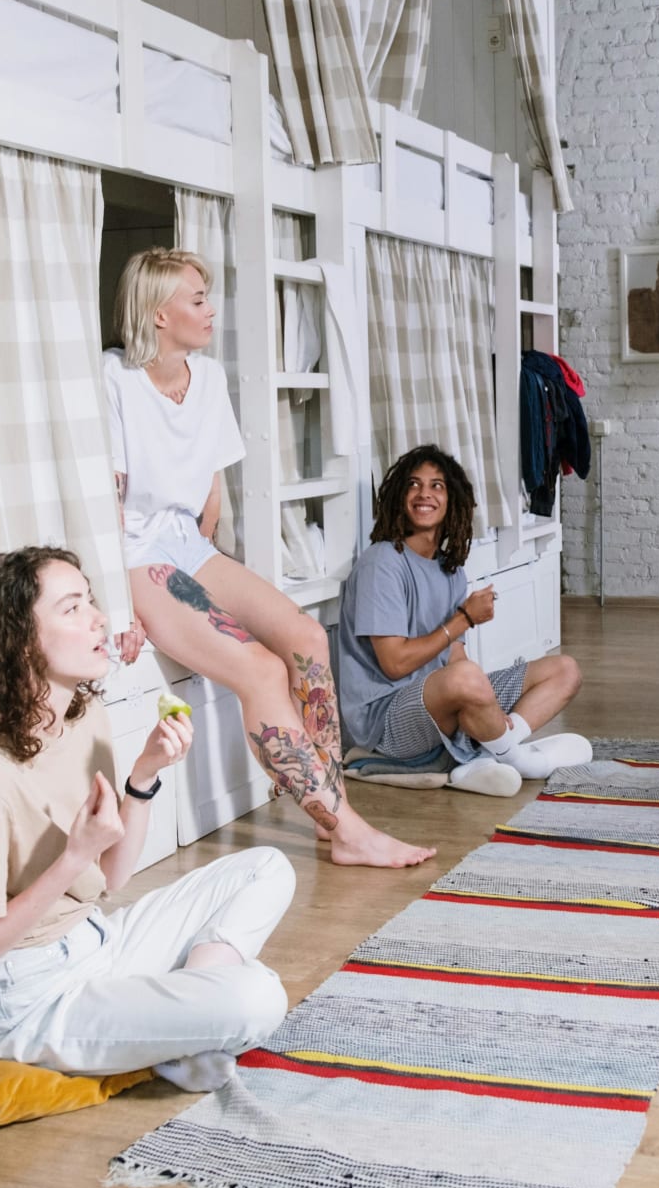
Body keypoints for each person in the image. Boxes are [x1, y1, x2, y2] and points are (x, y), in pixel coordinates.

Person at [0, 547, 296, 1093]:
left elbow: (111, 878)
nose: (99, 618)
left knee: (267, 868)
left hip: (98, 944)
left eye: (90, 601)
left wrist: (145, 775)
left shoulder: (83, 717)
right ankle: (185, 1024)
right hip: (26, 1000)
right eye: (72, 608)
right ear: (19, 640)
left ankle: (180, 1028)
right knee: (258, 996)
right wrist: (73, 856)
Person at [104, 247, 433, 868]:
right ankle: (350, 830)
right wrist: (123, 605)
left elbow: (209, 490)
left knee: (308, 638)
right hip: (134, 552)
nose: (210, 309)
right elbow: (109, 503)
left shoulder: (207, 379)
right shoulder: (115, 379)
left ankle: (330, 818)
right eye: (196, 299)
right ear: (156, 314)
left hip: (187, 543)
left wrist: (209, 565)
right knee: (259, 670)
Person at [337, 445, 590, 795]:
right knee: (467, 680)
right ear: (399, 496)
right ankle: (516, 758)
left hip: (436, 698)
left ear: (452, 500)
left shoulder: (450, 573)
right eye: (414, 484)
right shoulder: (382, 563)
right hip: (384, 720)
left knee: (565, 670)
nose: (424, 493)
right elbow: (394, 664)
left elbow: (455, 655)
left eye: (437, 485)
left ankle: (494, 748)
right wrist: (464, 619)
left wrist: (485, 702)